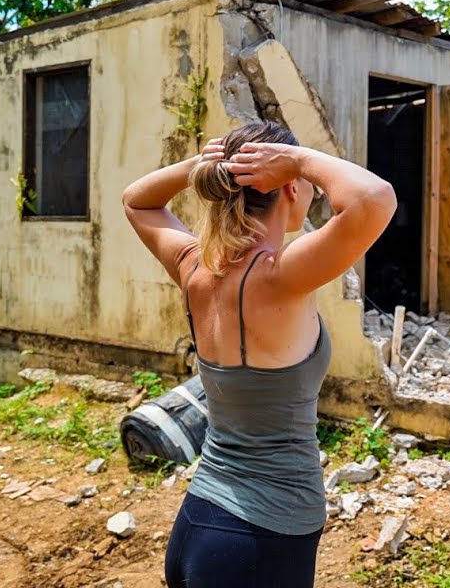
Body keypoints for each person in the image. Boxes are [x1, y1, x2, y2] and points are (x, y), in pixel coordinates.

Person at [122, 121, 396, 587]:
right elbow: (375, 198)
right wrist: (299, 158)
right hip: (261, 538)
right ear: (289, 185)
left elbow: (136, 200)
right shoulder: (280, 276)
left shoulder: (195, 268)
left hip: (199, 522)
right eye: (303, 180)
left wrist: (201, 167)